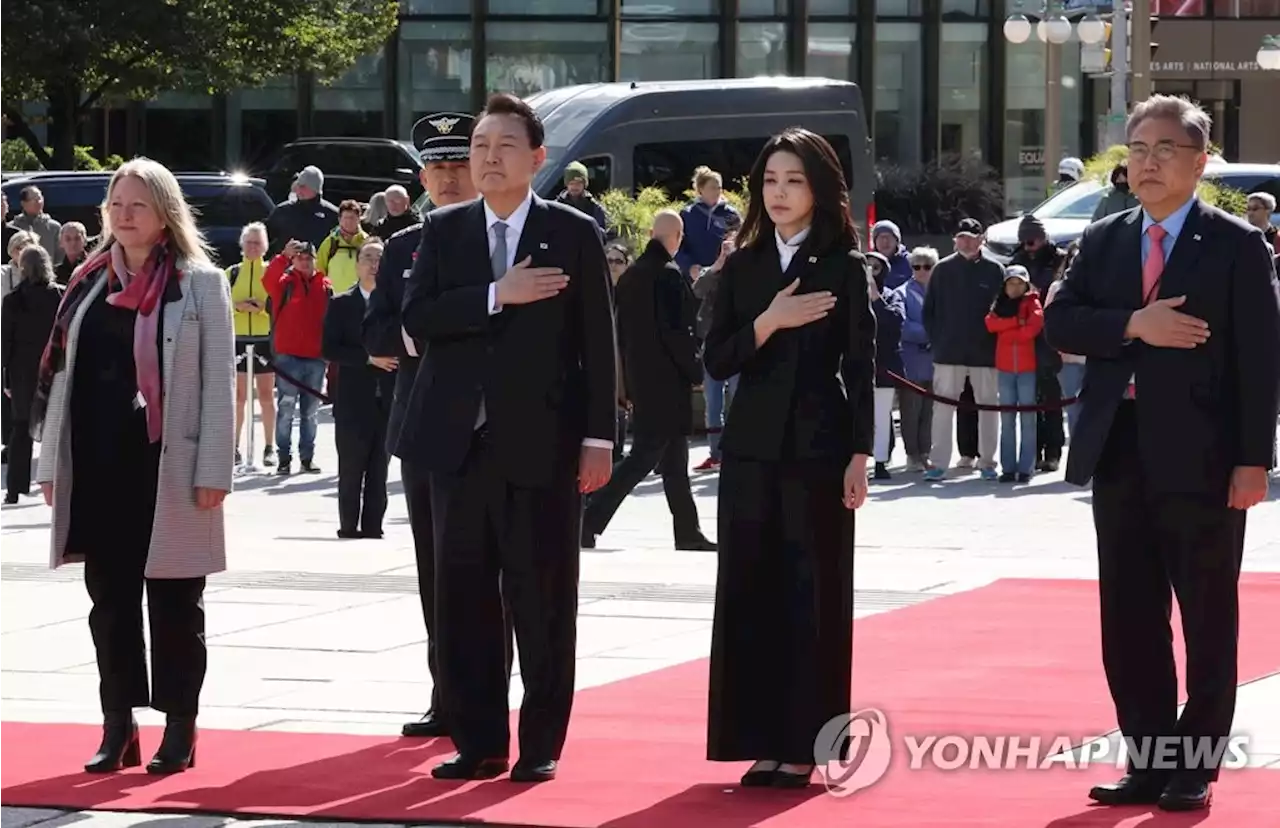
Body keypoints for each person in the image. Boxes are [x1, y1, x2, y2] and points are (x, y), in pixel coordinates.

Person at [1044, 95, 1280, 812]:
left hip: (1207, 460)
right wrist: (1134, 324)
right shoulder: (1107, 236)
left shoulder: (1236, 243)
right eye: (1136, 149)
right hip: (1119, 451)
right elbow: (1061, 319)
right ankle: (1147, 758)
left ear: (1200, 161)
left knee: (1207, 616)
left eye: (1163, 149)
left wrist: (1253, 461)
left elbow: (1260, 361)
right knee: (1130, 615)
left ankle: (1194, 765)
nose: (1146, 162)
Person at [400, 92, 617, 782]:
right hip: (456, 445)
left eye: (504, 147)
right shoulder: (445, 231)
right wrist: (498, 294)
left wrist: (599, 439)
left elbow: (597, 344)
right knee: (461, 597)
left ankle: (542, 742)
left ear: (537, 158)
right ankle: (479, 740)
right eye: (481, 147)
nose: (489, 158)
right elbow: (419, 317)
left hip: (544, 446)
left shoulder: (572, 231)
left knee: (543, 596)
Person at [30, 158, 235, 775]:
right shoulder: (88, 279)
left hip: (168, 468)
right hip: (97, 464)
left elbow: (220, 384)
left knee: (176, 604)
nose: (124, 215)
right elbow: (62, 380)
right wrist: (50, 465)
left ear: (165, 212)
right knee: (109, 603)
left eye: (138, 205)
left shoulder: (200, 284)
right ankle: (117, 725)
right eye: (116, 204)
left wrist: (214, 471)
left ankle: (180, 725)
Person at [703, 127, 874, 788]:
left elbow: (862, 367)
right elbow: (716, 359)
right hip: (748, 449)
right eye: (770, 180)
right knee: (749, 590)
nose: (779, 193)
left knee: (814, 592)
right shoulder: (741, 266)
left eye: (794, 180)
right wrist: (770, 319)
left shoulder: (843, 265)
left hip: (819, 450)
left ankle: (805, 742)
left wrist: (861, 453)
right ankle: (757, 739)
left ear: (821, 188)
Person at [363, 112, 513, 739]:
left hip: (495, 428)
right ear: (422, 176)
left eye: (460, 167)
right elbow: (372, 330)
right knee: (437, 570)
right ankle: (446, 692)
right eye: (439, 169)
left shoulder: (505, 239)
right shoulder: (403, 247)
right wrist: (416, 330)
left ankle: (489, 694)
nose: (450, 180)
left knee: (498, 570)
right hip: (424, 429)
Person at [581, 210, 715, 551]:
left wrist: (622, 381)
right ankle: (589, 519)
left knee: (674, 464)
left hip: (642, 380)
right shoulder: (668, 276)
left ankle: (687, 531)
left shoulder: (631, 277)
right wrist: (695, 369)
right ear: (677, 237)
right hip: (667, 384)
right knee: (642, 459)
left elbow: (620, 336)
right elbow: (678, 333)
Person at [324, 239, 396, 539]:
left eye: (379, 258)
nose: (373, 264)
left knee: (379, 469)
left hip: (388, 399)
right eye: (367, 257)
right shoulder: (342, 303)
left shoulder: (396, 303)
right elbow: (329, 348)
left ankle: (373, 527)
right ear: (357, 264)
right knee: (352, 467)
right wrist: (368, 358)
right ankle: (349, 525)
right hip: (353, 400)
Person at [1, 245, 64, 502]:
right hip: (55, 368)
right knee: (58, 428)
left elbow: (5, 344)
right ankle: (59, 483)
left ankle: (15, 489)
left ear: (22, 268)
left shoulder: (13, 301)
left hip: (22, 371)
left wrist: (6, 379)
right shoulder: (60, 296)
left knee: (21, 428)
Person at [985, 265, 1043, 483]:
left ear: (1026, 285)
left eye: (1020, 283)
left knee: (1028, 419)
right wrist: (1015, 324)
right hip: (1005, 368)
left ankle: (1026, 467)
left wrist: (1007, 331)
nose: (1015, 287)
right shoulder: (999, 303)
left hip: (1027, 368)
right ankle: (1008, 468)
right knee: (1007, 419)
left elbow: (1032, 329)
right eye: (1011, 283)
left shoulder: (1033, 303)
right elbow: (990, 324)